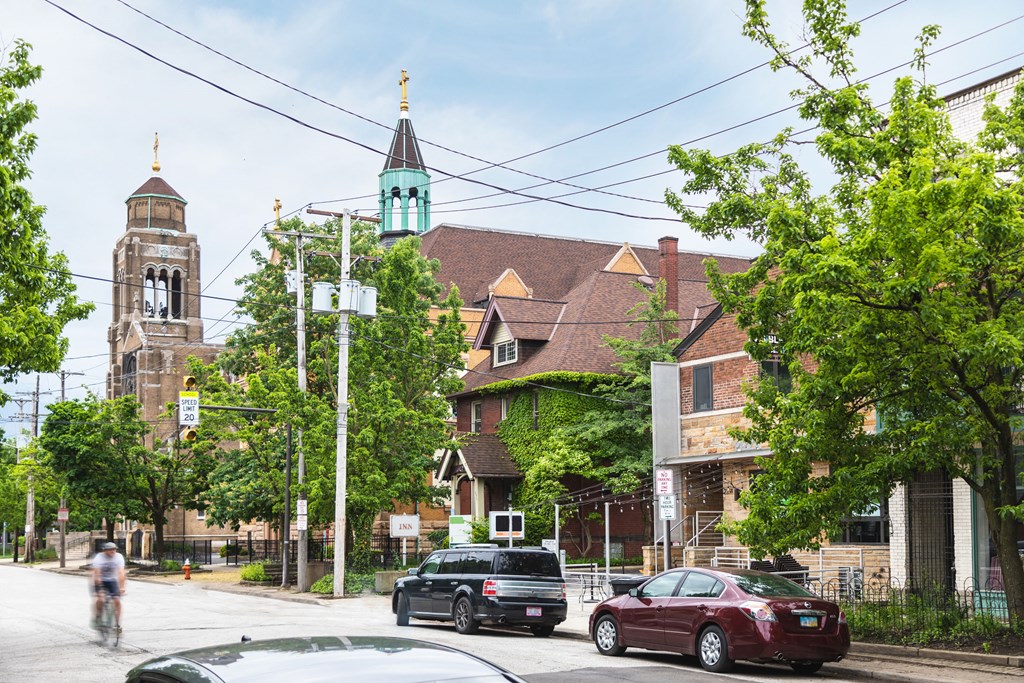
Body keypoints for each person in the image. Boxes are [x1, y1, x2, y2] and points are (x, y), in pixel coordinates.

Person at [93, 541, 126, 633]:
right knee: (101, 599)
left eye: (114, 549)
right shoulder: (99, 557)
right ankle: (98, 616)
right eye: (110, 550)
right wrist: (100, 586)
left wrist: (122, 587)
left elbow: (121, 572)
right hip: (101, 580)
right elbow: (97, 573)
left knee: (117, 600)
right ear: (105, 551)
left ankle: (117, 624)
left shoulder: (118, 557)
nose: (113, 551)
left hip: (112, 580)